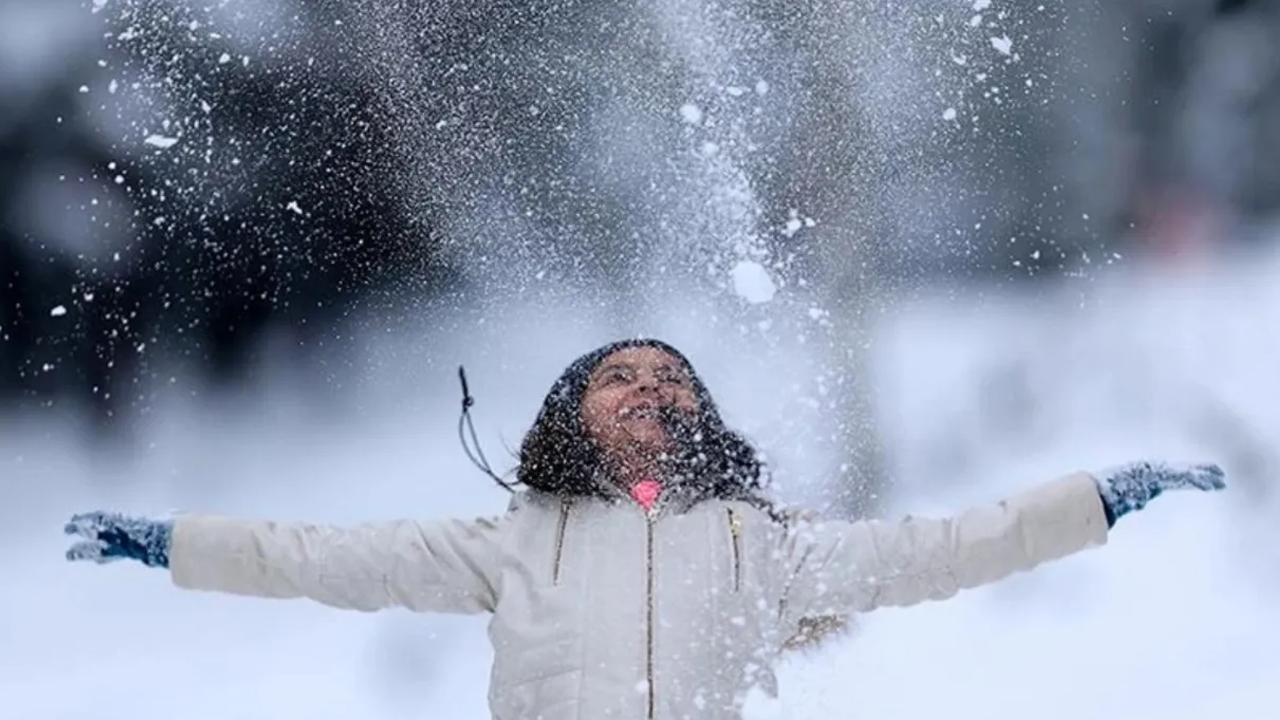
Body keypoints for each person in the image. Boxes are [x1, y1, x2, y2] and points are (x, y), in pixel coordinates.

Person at [65, 338, 1225, 720]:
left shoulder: (758, 545)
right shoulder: (510, 541)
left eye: (672, 378)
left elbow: (942, 547)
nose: (650, 389)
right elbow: (316, 558)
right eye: (619, 375)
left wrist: (1095, 500)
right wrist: (172, 543)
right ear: (569, 414)